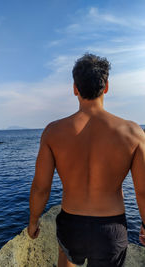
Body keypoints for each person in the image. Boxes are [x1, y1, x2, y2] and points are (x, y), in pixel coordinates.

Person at [27, 54, 145, 267]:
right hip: (111, 227)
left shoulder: (53, 132)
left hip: (71, 223)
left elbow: (40, 188)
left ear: (75, 88)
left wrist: (33, 220)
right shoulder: (133, 132)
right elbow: (143, 191)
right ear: (106, 86)